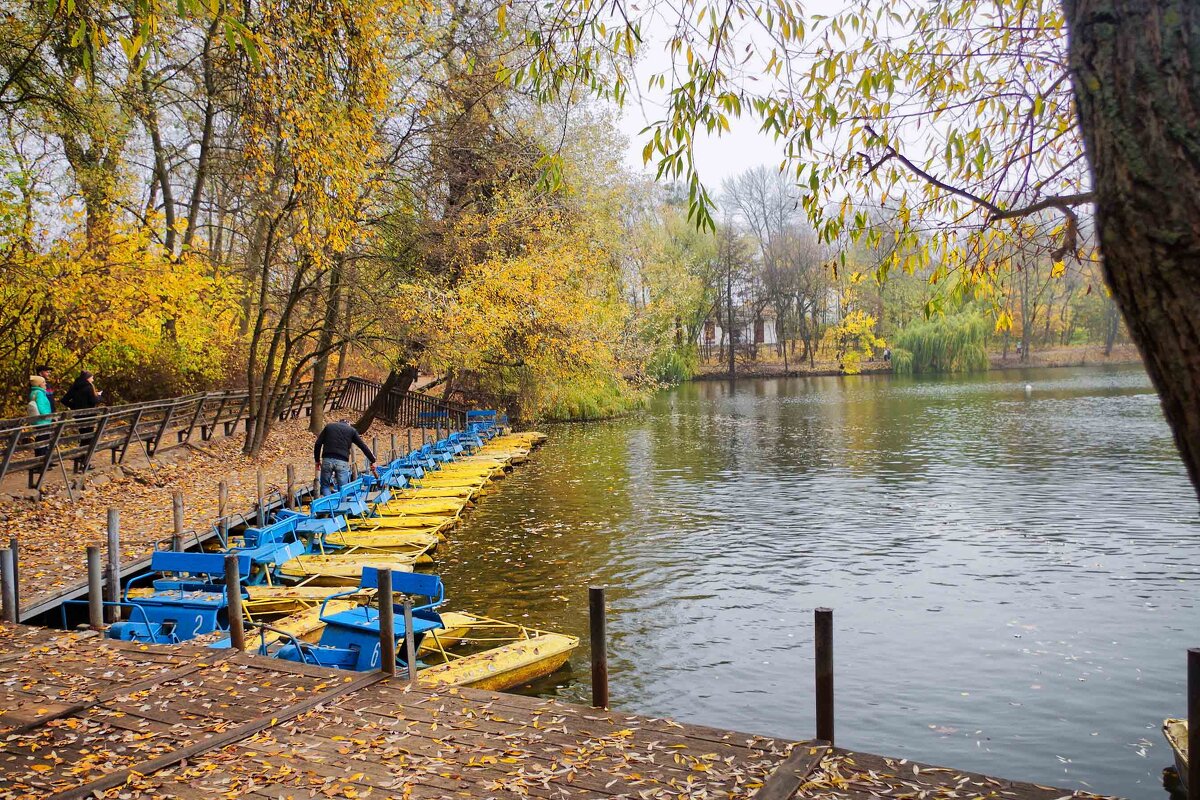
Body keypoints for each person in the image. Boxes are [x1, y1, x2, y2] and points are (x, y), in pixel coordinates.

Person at [314, 418, 376, 495]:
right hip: (342, 461)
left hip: (327, 459)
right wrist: (373, 460)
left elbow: (318, 444)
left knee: (325, 486)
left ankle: (328, 505)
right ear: (348, 424)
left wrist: (317, 460)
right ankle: (342, 505)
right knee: (343, 488)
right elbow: (362, 446)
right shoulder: (351, 430)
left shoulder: (329, 427)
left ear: (339, 422)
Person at [28, 375, 53, 456]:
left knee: (42, 439)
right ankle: (41, 460)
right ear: (39, 384)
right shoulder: (39, 393)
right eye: (43, 382)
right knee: (43, 440)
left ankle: (42, 459)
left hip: (40, 421)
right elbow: (42, 407)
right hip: (43, 421)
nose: (45, 384)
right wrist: (49, 416)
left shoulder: (35, 392)